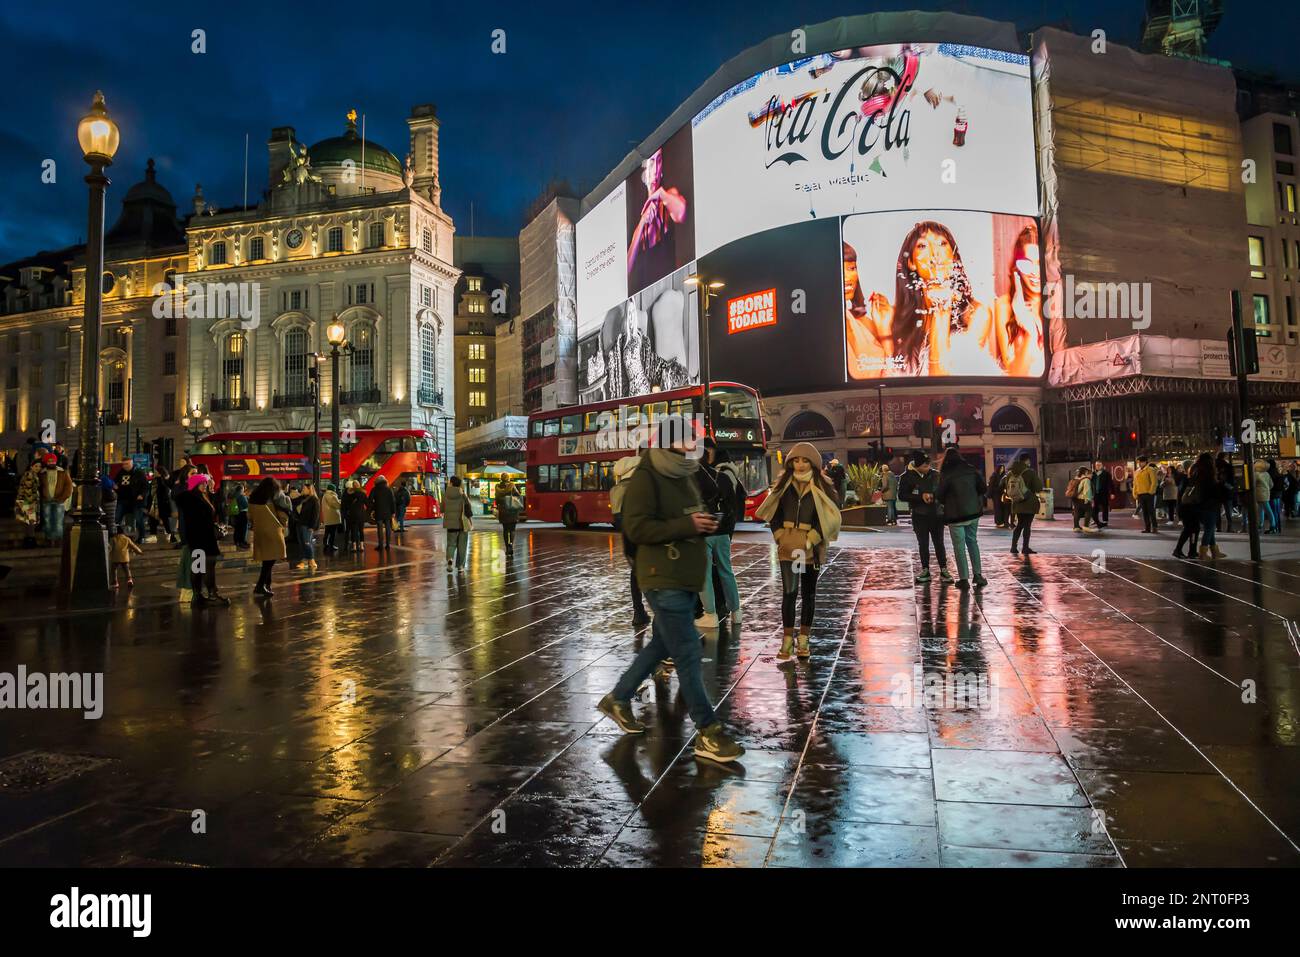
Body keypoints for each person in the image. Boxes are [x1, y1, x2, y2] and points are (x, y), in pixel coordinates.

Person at [597, 415, 745, 764]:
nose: (692, 446)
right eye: (686, 440)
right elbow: (637, 528)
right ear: (668, 442)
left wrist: (704, 524)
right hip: (661, 576)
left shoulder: (683, 475)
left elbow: (686, 517)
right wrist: (686, 525)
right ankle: (708, 732)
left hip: (683, 576)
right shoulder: (647, 477)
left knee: (661, 646)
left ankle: (618, 699)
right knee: (688, 653)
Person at [755, 441, 842, 661]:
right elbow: (774, 514)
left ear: (813, 464)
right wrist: (779, 536)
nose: (800, 465)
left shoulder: (821, 488)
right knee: (789, 593)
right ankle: (787, 640)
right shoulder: (783, 487)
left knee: (808, 593)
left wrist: (812, 538)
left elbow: (830, 517)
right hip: (788, 548)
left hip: (810, 548)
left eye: (805, 460)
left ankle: (804, 639)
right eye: (796, 460)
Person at [695, 440, 743, 629]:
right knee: (726, 570)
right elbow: (732, 506)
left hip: (703, 532)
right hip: (722, 531)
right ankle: (736, 612)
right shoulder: (722, 477)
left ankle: (710, 614)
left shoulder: (694, 478)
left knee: (704, 574)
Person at [937, 448, 987, 590]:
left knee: (959, 547)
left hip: (956, 516)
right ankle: (978, 575)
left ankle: (964, 579)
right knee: (972, 542)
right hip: (973, 513)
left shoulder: (946, 474)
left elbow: (940, 495)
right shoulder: (971, 470)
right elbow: (983, 488)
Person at [898, 451, 950, 584]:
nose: (928, 468)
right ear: (917, 465)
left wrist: (936, 497)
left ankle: (944, 569)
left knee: (939, 543)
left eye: (929, 465)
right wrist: (920, 497)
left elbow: (944, 492)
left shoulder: (935, 475)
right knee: (923, 544)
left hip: (937, 515)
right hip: (919, 515)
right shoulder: (907, 477)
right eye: (925, 466)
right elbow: (902, 495)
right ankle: (925, 570)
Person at [176, 473, 229, 606]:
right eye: (202, 483)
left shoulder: (201, 496)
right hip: (201, 536)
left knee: (199, 566)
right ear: (195, 485)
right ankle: (211, 595)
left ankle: (198, 596)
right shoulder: (191, 498)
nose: (205, 485)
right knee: (207, 565)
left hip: (202, 536)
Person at [610, 454, 650, 627]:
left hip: (629, 540)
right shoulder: (636, 488)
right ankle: (654, 613)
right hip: (642, 538)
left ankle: (638, 611)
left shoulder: (617, 489)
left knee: (635, 575)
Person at [248, 477, 288, 597]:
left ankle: (267, 584)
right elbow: (283, 516)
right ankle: (260, 586)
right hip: (273, 532)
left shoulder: (253, 498)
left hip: (260, 532)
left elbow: (249, 516)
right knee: (270, 561)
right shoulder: (272, 500)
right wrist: (284, 523)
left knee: (267, 559)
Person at [1185, 452, 1226, 560]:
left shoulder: (1194, 471)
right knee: (1209, 528)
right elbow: (1213, 490)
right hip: (1209, 504)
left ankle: (1214, 551)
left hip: (1197, 504)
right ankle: (1203, 552)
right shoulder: (1208, 474)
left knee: (1210, 528)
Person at [1004, 452, 1042, 555]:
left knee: (1019, 524)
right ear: (1027, 461)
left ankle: (1013, 547)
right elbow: (1038, 488)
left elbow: (1005, 486)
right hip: (1029, 502)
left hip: (1016, 502)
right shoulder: (1030, 472)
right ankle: (1025, 547)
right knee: (1027, 525)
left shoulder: (1010, 473)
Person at [39, 454, 73, 545]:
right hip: (47, 500)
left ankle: (58, 540)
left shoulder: (62, 472)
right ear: (46, 462)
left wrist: (62, 498)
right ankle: (49, 539)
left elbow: (68, 486)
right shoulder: (42, 473)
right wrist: (42, 497)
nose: (51, 463)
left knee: (58, 521)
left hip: (59, 500)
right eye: (49, 461)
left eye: (53, 461)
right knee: (47, 520)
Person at [442, 476, 472, 568]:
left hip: (450, 524)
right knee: (462, 546)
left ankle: (450, 559)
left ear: (451, 483)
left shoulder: (445, 494)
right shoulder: (462, 494)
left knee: (451, 544)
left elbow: (442, 509)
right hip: (462, 523)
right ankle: (460, 567)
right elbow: (468, 508)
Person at [115, 458, 148, 542]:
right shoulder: (121, 472)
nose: (125, 466)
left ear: (132, 463)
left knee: (138, 518)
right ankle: (117, 536)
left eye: (127, 464)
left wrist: (141, 495)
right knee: (117, 518)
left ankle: (142, 537)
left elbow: (145, 486)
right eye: (124, 464)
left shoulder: (139, 472)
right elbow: (115, 482)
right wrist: (115, 487)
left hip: (135, 500)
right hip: (123, 499)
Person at [294, 481, 321, 572]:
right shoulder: (302, 499)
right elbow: (293, 504)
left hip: (307, 525)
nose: (303, 490)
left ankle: (310, 560)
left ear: (310, 490)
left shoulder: (314, 500)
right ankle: (307, 561)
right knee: (302, 543)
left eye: (304, 488)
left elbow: (316, 514)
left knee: (307, 542)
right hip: (300, 523)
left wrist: (312, 526)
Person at [16, 460, 43, 547]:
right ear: (31, 466)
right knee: (30, 522)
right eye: (36, 466)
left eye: (39, 466)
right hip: (29, 501)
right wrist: (32, 502)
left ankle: (29, 540)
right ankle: (30, 541)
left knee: (29, 522)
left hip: (28, 501)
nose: (38, 468)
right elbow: (28, 490)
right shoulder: (30, 474)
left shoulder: (33, 474)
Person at [494, 477, 523, 556]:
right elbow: (518, 495)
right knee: (512, 529)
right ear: (508, 479)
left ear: (501, 479)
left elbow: (496, 500)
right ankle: (511, 544)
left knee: (505, 530)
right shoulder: (512, 486)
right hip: (512, 510)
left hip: (503, 511)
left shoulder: (498, 487)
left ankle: (507, 547)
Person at [367, 475, 396, 552]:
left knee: (379, 529)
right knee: (388, 528)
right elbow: (392, 501)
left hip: (379, 511)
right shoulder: (389, 489)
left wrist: (373, 507)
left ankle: (380, 545)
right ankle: (388, 545)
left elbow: (370, 501)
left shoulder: (374, 489)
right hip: (388, 512)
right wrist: (393, 512)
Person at [1133, 455, 1159, 533]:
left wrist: (1151, 492)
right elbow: (1135, 483)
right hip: (1140, 494)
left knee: (1151, 511)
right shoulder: (1137, 471)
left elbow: (1154, 482)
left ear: (1145, 462)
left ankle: (1154, 527)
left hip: (1148, 494)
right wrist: (1135, 492)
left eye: (1140, 462)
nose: (1139, 464)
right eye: (1138, 462)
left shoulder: (1150, 470)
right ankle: (1147, 527)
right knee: (1144, 512)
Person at [343, 480, 367, 554]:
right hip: (361, 514)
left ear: (353, 486)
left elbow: (346, 504)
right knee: (361, 530)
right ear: (359, 485)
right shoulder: (363, 493)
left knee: (354, 530)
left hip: (352, 515)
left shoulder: (350, 494)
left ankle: (354, 547)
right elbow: (367, 503)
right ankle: (362, 546)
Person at [1067, 466, 1093, 531]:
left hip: (1075, 498)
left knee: (1076, 512)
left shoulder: (1075, 479)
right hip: (1082, 498)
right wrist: (1088, 499)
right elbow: (1087, 490)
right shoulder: (1086, 480)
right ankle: (1086, 526)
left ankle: (1076, 527)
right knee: (1089, 511)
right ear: (1085, 472)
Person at [1252, 459, 1274, 534]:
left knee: (1265, 510)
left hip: (1259, 494)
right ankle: (1261, 525)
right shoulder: (1267, 474)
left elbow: (1253, 484)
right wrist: (1266, 489)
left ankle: (1271, 526)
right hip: (1266, 494)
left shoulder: (1256, 474)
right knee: (1263, 510)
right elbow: (1271, 485)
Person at [321, 483, 343, 554]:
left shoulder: (326, 495)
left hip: (328, 516)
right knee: (332, 532)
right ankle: (331, 545)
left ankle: (326, 543)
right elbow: (336, 504)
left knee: (327, 531)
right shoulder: (331, 495)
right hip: (332, 516)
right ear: (333, 489)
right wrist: (340, 503)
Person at [228, 482, 250, 549]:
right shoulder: (241, 496)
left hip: (236, 514)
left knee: (237, 528)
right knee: (243, 529)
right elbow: (246, 505)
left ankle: (236, 541)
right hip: (242, 514)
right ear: (241, 489)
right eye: (243, 489)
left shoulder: (234, 495)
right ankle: (242, 542)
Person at [1091, 461, 1112, 528]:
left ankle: (1105, 520)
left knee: (1104, 507)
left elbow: (1110, 484)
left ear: (1102, 465)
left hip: (1104, 493)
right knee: (1095, 508)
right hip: (1095, 493)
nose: (1098, 466)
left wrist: (1112, 493)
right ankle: (1095, 520)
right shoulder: (1093, 473)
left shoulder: (1106, 473)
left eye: (1099, 465)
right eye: (1096, 465)